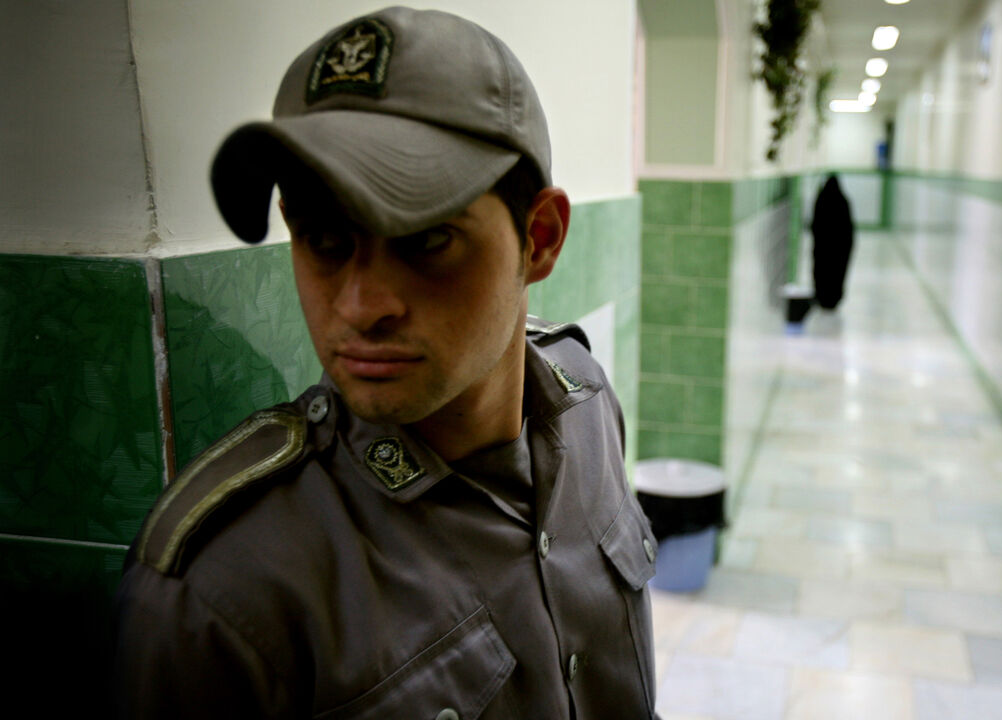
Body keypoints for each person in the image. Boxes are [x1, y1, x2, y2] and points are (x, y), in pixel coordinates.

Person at [113, 8, 660, 719]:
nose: (362, 305)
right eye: (323, 238)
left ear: (540, 238)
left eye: (427, 239)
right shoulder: (222, 589)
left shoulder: (585, 402)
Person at [810, 174, 856, 310]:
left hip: (823, 248)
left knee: (821, 272)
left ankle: (822, 297)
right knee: (837, 274)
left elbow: (815, 225)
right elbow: (849, 228)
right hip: (840, 249)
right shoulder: (844, 201)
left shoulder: (821, 200)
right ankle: (834, 298)